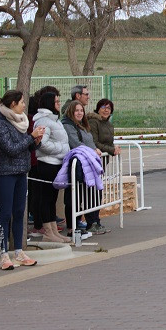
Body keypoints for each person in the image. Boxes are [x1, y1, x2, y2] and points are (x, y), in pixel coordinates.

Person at [0, 90, 45, 270]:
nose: (24, 105)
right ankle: (3, 253)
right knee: (5, 213)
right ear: (13, 104)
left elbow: (24, 148)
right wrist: (31, 137)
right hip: (6, 172)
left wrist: (36, 141)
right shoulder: (0, 123)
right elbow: (11, 149)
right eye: (21, 102)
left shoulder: (21, 121)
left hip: (22, 171)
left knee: (19, 211)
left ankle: (19, 252)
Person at [33, 92, 71, 243]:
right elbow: (41, 144)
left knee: (52, 199)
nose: (59, 104)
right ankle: (48, 231)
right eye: (56, 102)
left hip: (56, 164)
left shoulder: (54, 120)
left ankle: (54, 230)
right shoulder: (44, 121)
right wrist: (61, 149)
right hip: (46, 164)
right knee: (46, 199)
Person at [62, 101, 101, 239]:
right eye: (76, 110)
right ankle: (73, 227)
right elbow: (75, 144)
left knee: (88, 194)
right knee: (73, 196)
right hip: (76, 165)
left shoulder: (83, 126)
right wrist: (93, 151)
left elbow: (89, 141)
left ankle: (87, 222)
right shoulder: (68, 126)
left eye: (81, 110)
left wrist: (95, 150)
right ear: (71, 112)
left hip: (87, 164)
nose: (80, 113)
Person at [86, 98, 120, 235]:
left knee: (98, 193)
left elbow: (108, 142)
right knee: (92, 193)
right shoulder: (93, 122)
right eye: (103, 107)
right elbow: (94, 143)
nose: (106, 110)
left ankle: (96, 221)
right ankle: (91, 222)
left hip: (102, 163)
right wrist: (111, 150)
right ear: (98, 108)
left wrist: (113, 148)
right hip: (92, 162)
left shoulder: (108, 124)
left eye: (109, 108)